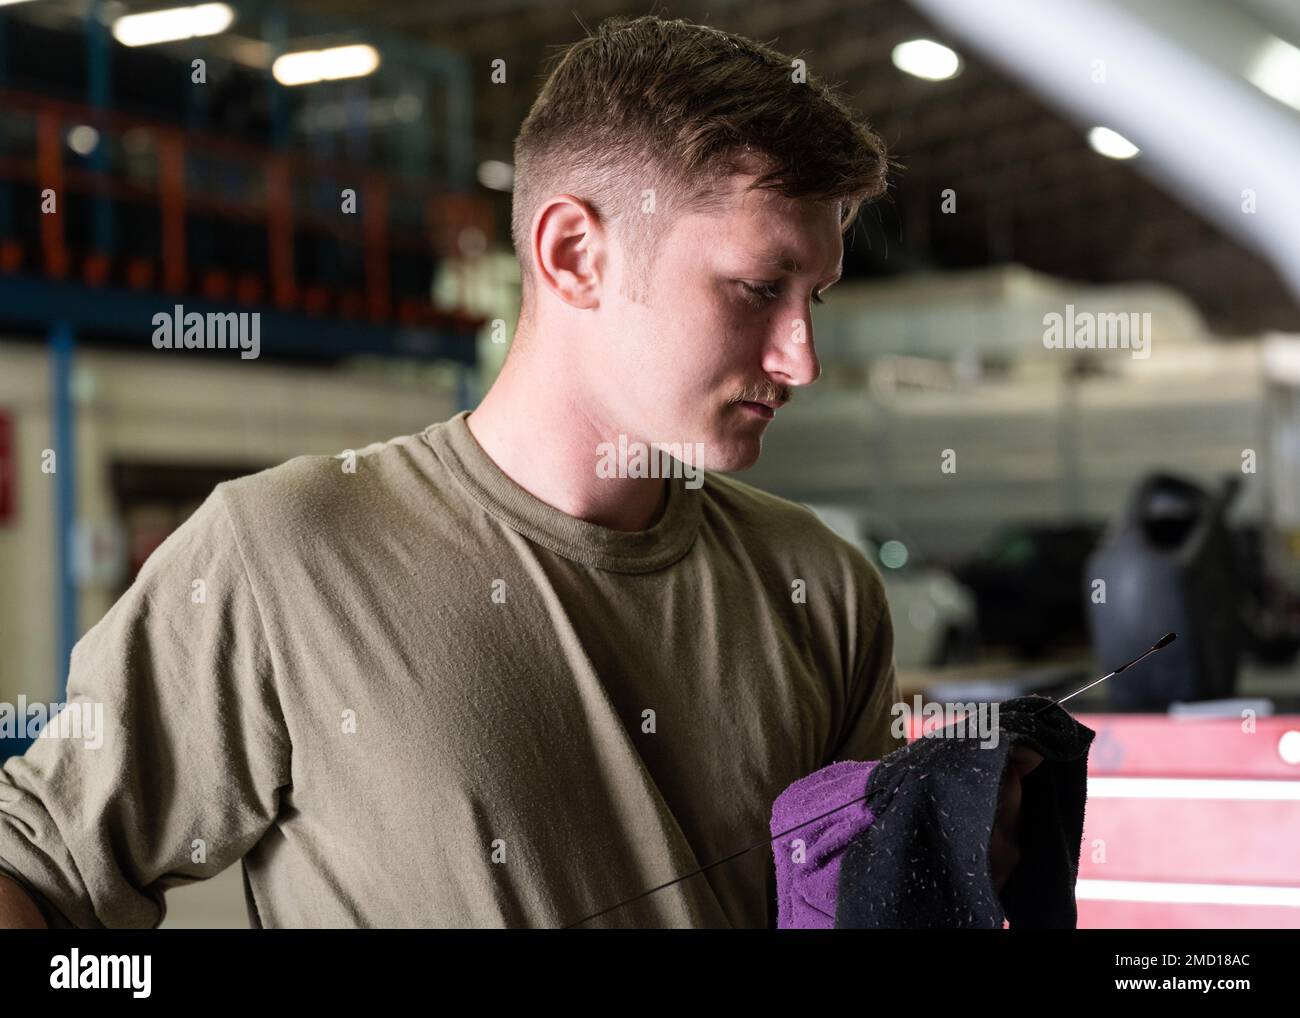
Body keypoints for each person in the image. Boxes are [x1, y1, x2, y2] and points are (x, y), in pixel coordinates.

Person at [0, 14, 1030, 929]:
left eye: (818, 296)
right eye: (759, 288)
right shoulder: (284, 554)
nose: (800, 356)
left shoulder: (820, 586)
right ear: (575, 252)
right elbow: (37, 872)